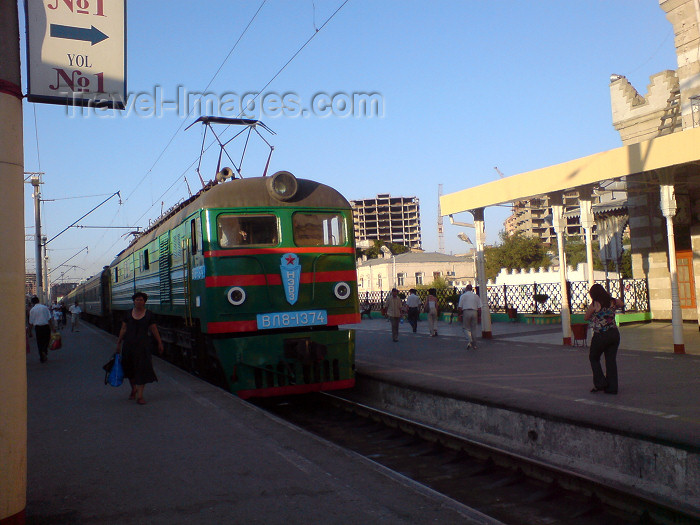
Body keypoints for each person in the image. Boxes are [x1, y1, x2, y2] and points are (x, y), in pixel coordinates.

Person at [116, 292, 164, 405]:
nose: (139, 302)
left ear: (144, 302)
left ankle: (140, 396)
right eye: (137, 300)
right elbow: (123, 329)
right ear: (133, 301)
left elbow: (153, 329)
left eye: (141, 300)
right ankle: (134, 389)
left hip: (143, 346)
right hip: (129, 345)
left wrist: (159, 342)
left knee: (142, 369)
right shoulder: (127, 314)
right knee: (130, 369)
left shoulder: (149, 315)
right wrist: (118, 343)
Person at [584, 283, 624, 395]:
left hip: (601, 335)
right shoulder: (613, 301)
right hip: (614, 334)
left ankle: (601, 383)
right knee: (611, 360)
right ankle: (612, 388)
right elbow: (622, 303)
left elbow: (586, 317)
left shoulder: (595, 304)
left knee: (594, 358)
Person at [28, 296, 53, 363]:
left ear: (32, 303)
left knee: (39, 342)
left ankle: (42, 358)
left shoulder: (32, 310)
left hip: (38, 328)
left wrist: (30, 332)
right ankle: (44, 350)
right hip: (46, 327)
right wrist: (53, 328)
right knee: (47, 340)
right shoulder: (45, 308)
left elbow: (31, 322)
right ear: (38, 301)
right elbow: (49, 318)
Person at [458, 284, 482, 349]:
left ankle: (469, 340)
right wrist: (479, 315)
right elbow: (479, 307)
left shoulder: (463, 296)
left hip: (466, 311)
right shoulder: (476, 296)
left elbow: (460, 307)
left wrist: (459, 314)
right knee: (474, 328)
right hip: (474, 312)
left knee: (466, 328)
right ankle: (475, 345)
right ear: (472, 289)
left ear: (466, 289)